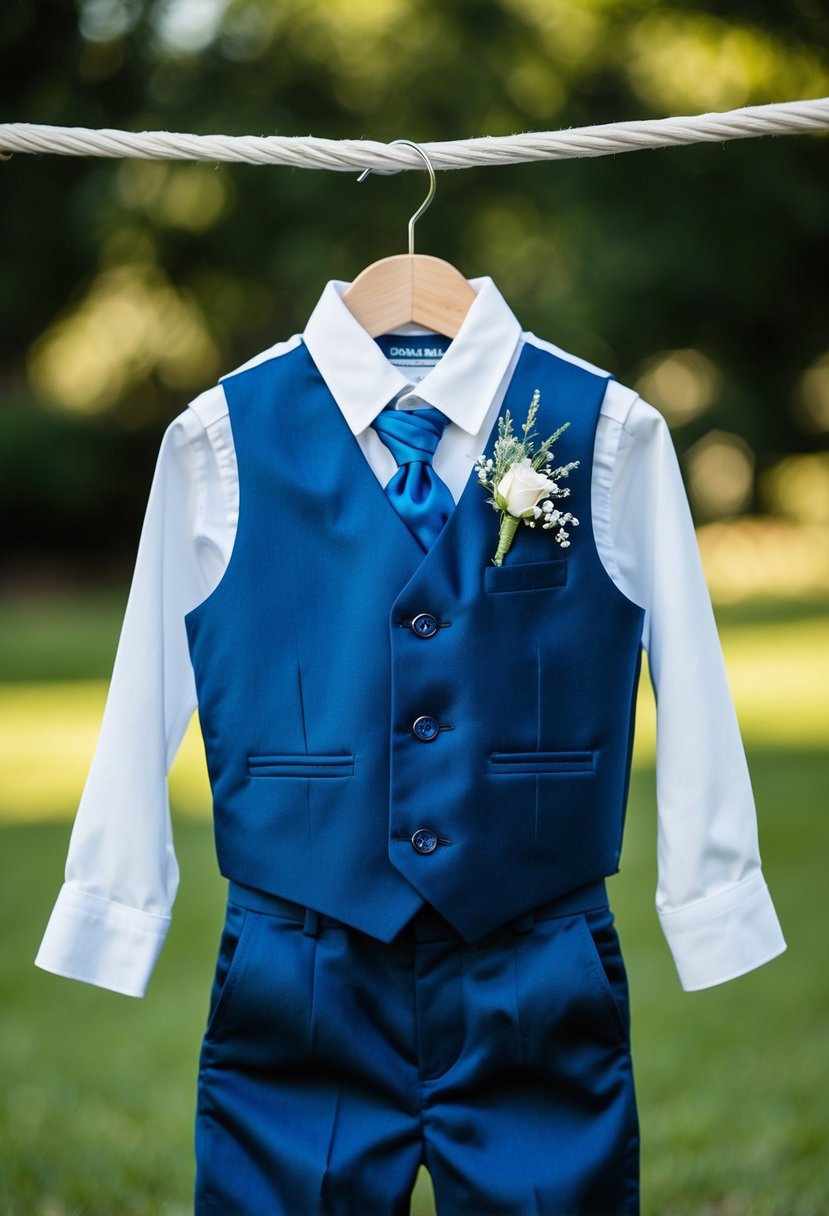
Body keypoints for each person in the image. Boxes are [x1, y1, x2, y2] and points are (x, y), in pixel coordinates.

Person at [36, 276, 786, 1214]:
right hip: (299, 964)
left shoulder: (606, 430)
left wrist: (712, 896)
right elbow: (149, 665)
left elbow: (684, 656)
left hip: (535, 955)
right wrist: (113, 900)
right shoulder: (221, 436)